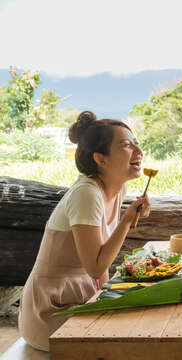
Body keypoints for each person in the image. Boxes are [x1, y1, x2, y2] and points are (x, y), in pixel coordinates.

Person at [18, 111, 151, 352]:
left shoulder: (115, 190)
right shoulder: (87, 194)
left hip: (83, 298)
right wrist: (125, 222)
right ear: (101, 159)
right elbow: (96, 266)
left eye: (136, 143)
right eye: (125, 145)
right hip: (51, 310)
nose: (138, 152)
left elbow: (100, 271)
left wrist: (106, 297)